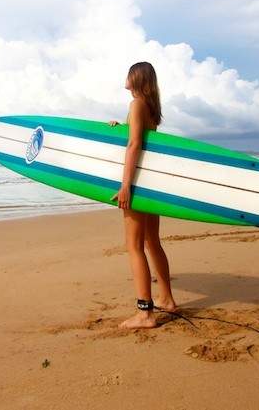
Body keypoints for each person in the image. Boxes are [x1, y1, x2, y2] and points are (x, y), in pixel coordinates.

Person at [109, 62, 177, 329]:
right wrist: (119, 127)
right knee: (152, 242)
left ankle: (145, 313)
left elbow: (135, 144)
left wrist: (125, 186)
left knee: (134, 246)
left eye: (128, 74)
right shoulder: (149, 107)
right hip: (150, 184)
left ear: (135, 78)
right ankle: (167, 299)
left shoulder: (136, 104)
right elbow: (138, 137)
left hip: (136, 183)